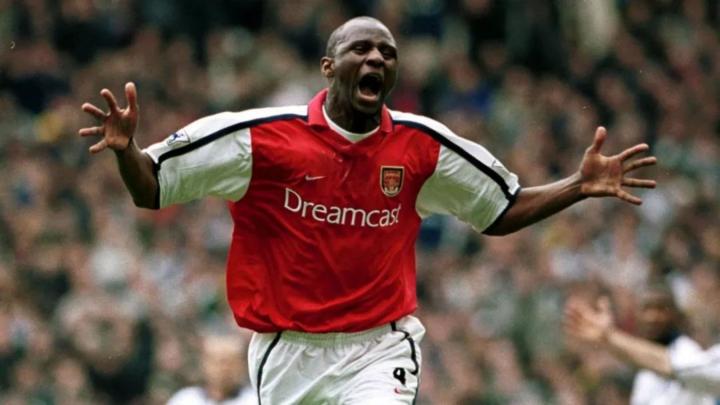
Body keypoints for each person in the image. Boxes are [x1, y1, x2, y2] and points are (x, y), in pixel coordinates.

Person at [78, 16, 657, 405]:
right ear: (329, 67)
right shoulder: (260, 139)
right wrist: (127, 150)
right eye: (362, 49)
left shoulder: (423, 146)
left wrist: (577, 186)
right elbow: (152, 188)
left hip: (381, 346)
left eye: (387, 52)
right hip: (286, 352)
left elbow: (499, 210)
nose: (377, 57)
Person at [565, 289, 720, 401]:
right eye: (646, 309)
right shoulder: (644, 373)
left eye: (660, 309)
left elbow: (670, 365)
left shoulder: (687, 351)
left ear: (675, 314)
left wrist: (610, 337)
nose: (652, 317)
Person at [167, 331, 256, 405]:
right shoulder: (184, 400)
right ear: (204, 363)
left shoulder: (254, 400)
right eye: (217, 361)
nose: (224, 369)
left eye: (230, 362)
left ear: (242, 365)